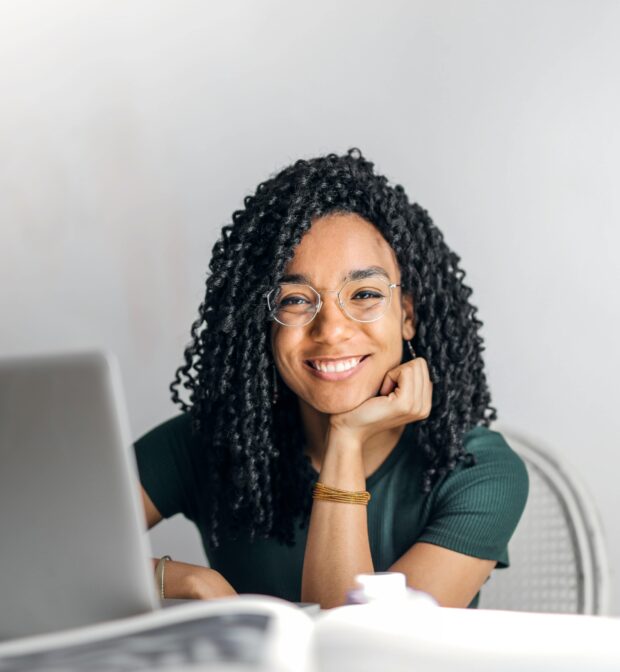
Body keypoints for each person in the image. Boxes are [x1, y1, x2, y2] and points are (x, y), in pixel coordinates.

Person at [134, 149, 529, 609]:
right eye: (296, 300)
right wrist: (184, 581)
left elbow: (358, 653)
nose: (332, 330)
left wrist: (346, 438)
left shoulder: (477, 471)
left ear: (408, 315)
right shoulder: (209, 441)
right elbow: (41, 553)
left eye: (364, 294)